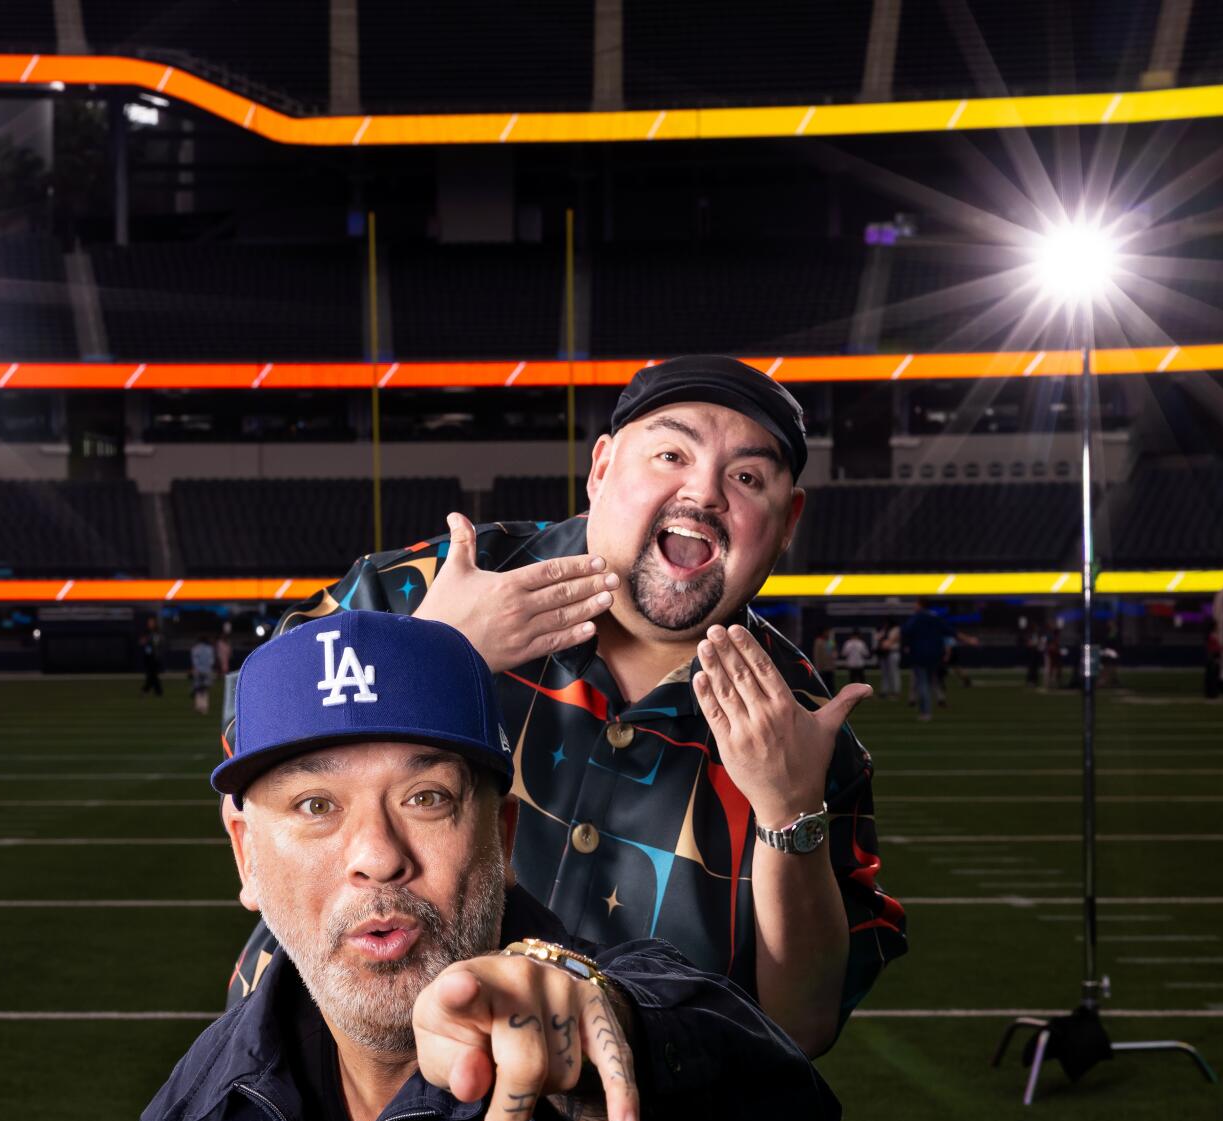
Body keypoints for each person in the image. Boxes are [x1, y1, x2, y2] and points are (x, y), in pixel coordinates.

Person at [133, 610, 839, 1121]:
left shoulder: (623, 1013)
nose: (377, 855)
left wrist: (597, 1062)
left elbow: (763, 1112)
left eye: (426, 798)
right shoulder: (189, 1120)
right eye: (316, 806)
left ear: (502, 838)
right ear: (246, 855)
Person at [226, 355, 905, 1059]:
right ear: (603, 466)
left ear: (787, 520)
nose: (702, 492)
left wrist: (789, 812)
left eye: (747, 477)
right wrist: (432, 654)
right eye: (671, 454)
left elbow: (802, 1028)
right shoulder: (434, 587)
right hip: (325, 1083)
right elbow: (251, 751)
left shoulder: (802, 730)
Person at [900, 600, 962, 721]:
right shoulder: (935, 618)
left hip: (920, 655)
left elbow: (905, 631)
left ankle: (925, 712)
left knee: (923, 684)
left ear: (920, 605)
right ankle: (935, 703)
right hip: (934, 656)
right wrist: (968, 639)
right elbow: (951, 631)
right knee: (930, 682)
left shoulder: (917, 618)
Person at [189, 633, 216, 714]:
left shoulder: (195, 649)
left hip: (198, 671)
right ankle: (204, 707)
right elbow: (211, 661)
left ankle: (198, 706)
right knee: (205, 689)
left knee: (198, 689)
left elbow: (195, 661)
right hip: (207, 671)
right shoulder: (210, 649)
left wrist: (198, 669)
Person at [138, 615, 164, 697]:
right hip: (148, 655)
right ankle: (158, 691)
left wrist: (147, 641)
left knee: (152, 674)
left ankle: (146, 690)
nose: (150, 624)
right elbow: (141, 642)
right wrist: (144, 641)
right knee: (152, 674)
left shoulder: (156, 632)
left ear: (155, 623)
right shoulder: (147, 632)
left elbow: (156, 643)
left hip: (155, 656)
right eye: (149, 622)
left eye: (151, 622)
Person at [878, 620, 903, 699]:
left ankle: (896, 692)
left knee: (894, 673)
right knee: (885, 674)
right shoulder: (885, 630)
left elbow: (893, 640)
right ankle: (884, 692)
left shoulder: (896, 629)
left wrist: (885, 644)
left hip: (893, 652)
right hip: (885, 654)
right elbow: (878, 637)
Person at [811, 626, 837, 692]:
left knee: (830, 684)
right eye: (826, 632)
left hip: (830, 667)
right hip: (822, 667)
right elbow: (816, 655)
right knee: (823, 684)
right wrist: (818, 667)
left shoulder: (830, 641)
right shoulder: (818, 641)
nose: (828, 633)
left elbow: (834, 651)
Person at [1204, 626, 1223, 701]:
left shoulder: (1212, 638)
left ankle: (1211, 694)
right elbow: (1214, 649)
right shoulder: (1212, 638)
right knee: (1213, 678)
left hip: (1212, 660)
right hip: (1213, 660)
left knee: (1212, 678)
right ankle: (1212, 694)